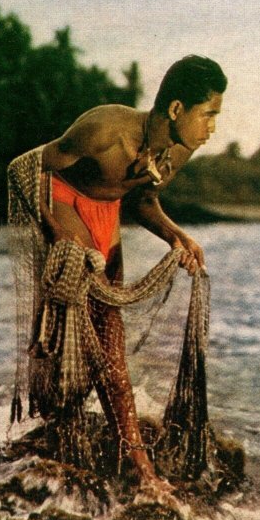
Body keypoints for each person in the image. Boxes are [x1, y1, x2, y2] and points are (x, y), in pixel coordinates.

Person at [37, 55, 227, 496]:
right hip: (63, 200)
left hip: (105, 216)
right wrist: (61, 239)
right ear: (177, 109)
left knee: (111, 342)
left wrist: (176, 236)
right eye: (209, 115)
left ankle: (134, 460)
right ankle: (124, 458)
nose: (212, 128)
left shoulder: (178, 151)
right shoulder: (105, 128)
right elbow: (35, 170)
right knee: (86, 321)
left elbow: (141, 203)